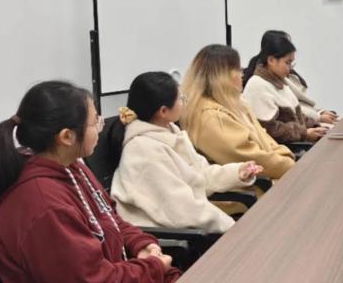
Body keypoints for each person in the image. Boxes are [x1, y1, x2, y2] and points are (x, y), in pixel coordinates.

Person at [0, 81, 181, 283]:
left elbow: (109, 217)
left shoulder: (71, 167)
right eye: (95, 121)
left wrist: (141, 244)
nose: (100, 127)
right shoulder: (43, 205)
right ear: (66, 136)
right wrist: (153, 269)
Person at [108, 72, 262, 234]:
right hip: (166, 236)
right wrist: (232, 227)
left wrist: (237, 172)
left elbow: (201, 175)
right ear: (163, 111)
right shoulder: (144, 150)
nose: (183, 102)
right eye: (180, 98)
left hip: (188, 222)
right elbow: (181, 208)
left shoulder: (169, 131)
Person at [181, 45, 296, 179]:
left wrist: (286, 159)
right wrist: (287, 163)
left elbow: (266, 139)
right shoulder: (210, 117)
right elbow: (248, 157)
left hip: (274, 174)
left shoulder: (237, 104)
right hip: (254, 185)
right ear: (222, 76)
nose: (242, 74)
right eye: (238, 69)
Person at [243, 35, 328, 144]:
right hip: (282, 148)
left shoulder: (279, 82)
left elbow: (298, 117)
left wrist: (316, 127)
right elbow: (270, 130)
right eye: (287, 62)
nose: (290, 68)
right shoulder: (257, 86)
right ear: (271, 60)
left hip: (295, 143)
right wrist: (305, 133)